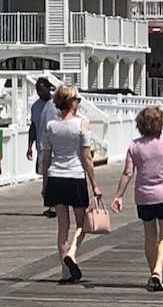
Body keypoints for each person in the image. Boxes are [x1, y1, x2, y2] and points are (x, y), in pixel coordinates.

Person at [111, 106, 163, 292]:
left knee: (149, 236)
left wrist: (118, 196)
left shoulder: (134, 146)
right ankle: (158, 271)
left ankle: (153, 273)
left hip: (143, 196)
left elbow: (127, 173)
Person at [42, 85, 101, 283]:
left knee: (62, 227)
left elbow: (46, 158)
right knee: (82, 224)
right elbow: (86, 158)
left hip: (55, 178)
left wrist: (45, 183)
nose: (78, 102)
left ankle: (65, 272)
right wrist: (95, 185)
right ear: (71, 102)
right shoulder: (82, 125)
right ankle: (72, 253)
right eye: (77, 99)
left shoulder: (51, 126)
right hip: (75, 177)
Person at [28, 77, 59, 218]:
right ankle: (51, 205)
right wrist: (29, 146)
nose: (40, 92)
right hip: (42, 147)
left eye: (42, 89)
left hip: (57, 147)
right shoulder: (35, 106)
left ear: (48, 88)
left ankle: (54, 206)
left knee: (54, 177)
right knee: (46, 178)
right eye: (37, 90)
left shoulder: (58, 103)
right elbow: (33, 126)